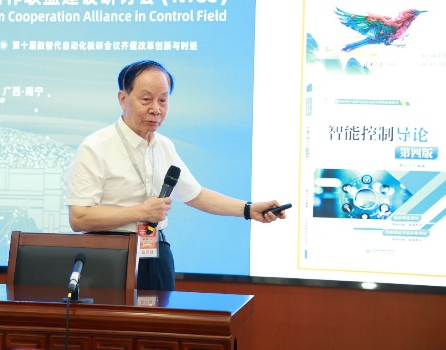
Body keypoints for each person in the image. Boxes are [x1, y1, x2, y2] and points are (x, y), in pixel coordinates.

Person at [66, 60, 287, 291]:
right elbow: (80, 217)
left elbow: (196, 195)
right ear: (123, 99)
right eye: (146, 99)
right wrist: (140, 212)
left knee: (163, 315)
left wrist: (249, 209)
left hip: (156, 253)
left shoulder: (164, 146)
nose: (156, 109)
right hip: (110, 257)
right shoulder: (96, 147)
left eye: (163, 100)